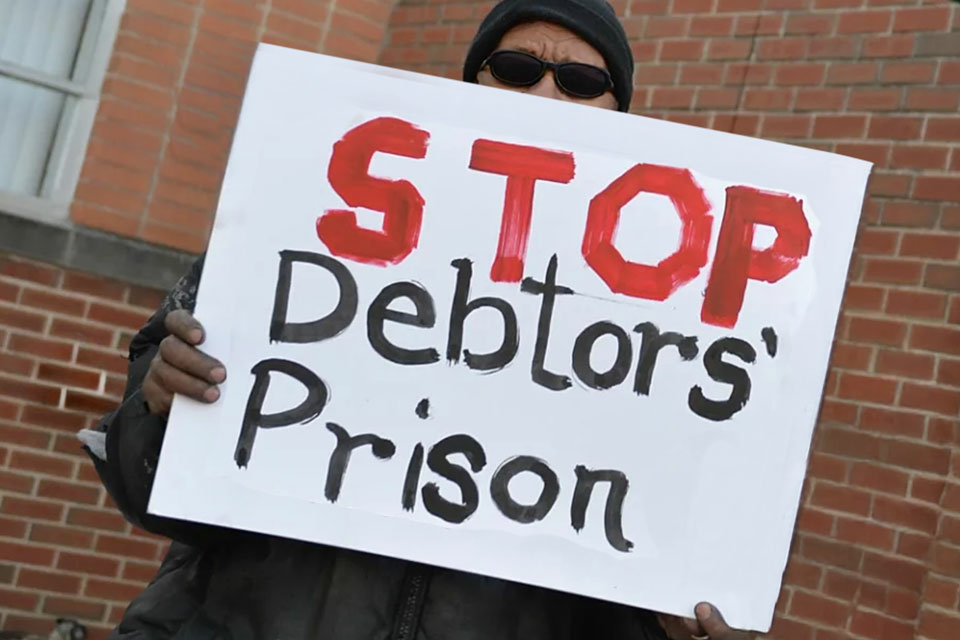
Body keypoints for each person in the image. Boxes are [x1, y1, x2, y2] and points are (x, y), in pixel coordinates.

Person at [85, 1, 749, 638]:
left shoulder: (661, 329)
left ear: (620, 115)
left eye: (580, 81)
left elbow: (643, 560)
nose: (544, 98)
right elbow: (142, 484)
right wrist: (162, 408)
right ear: (471, 84)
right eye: (517, 69)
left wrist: (681, 623)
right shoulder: (309, 218)